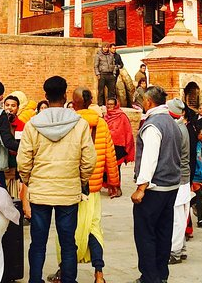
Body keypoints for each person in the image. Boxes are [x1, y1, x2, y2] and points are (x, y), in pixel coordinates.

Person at [17, 76, 96, 283]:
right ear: (64, 95)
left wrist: (30, 181)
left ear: (45, 96)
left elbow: (23, 161)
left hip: (41, 192)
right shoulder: (79, 124)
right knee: (68, 242)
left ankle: (35, 280)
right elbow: (89, 160)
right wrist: (79, 180)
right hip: (68, 192)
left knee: (38, 243)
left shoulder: (32, 124)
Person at [48, 87, 118, 283]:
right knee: (94, 228)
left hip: (71, 185)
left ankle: (64, 272)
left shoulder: (70, 122)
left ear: (75, 102)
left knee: (66, 229)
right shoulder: (102, 124)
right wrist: (114, 181)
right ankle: (99, 274)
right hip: (93, 188)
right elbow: (110, 154)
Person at [131, 85, 183, 283]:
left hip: (155, 188)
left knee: (145, 234)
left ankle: (150, 276)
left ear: (148, 102)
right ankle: (161, 274)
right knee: (163, 232)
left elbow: (150, 158)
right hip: (171, 186)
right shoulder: (172, 122)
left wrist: (141, 187)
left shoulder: (153, 125)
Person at [167, 99, 192, 265]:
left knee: (176, 217)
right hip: (184, 176)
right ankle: (181, 248)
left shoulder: (177, 129)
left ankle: (175, 251)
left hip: (179, 177)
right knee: (181, 215)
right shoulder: (183, 127)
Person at [104, 97, 135, 184]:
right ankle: (110, 187)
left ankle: (117, 188)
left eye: (111, 104)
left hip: (119, 147)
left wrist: (128, 147)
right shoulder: (106, 116)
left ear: (116, 105)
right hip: (108, 145)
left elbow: (127, 131)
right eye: (108, 104)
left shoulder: (122, 116)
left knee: (116, 168)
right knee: (107, 168)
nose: (109, 106)